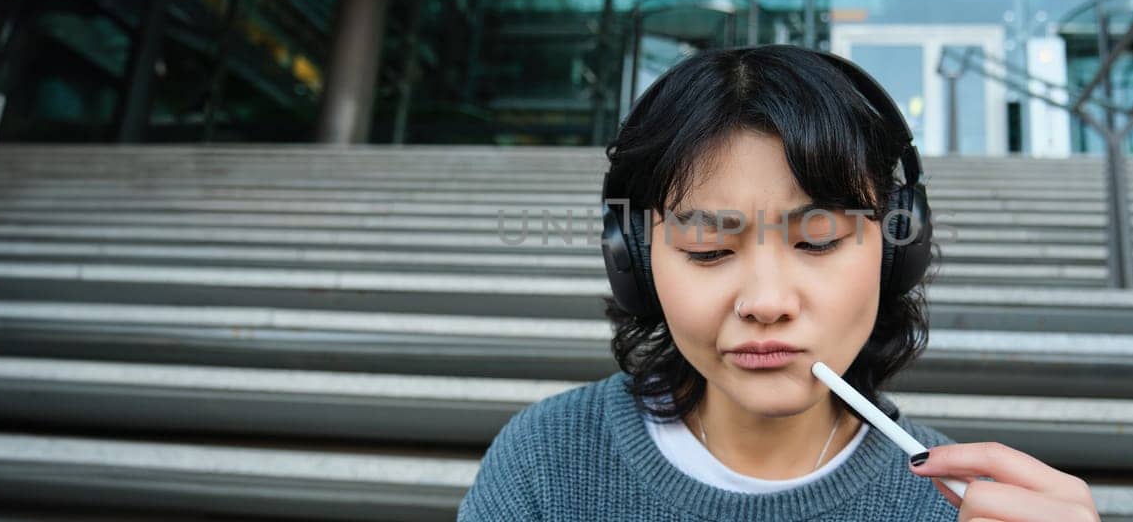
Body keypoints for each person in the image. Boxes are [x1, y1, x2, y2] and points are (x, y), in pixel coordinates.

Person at [456, 44, 1098, 521]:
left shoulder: (963, 507)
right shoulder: (547, 460)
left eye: (817, 240)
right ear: (636, 260)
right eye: (708, 248)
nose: (766, 303)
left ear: (897, 247)